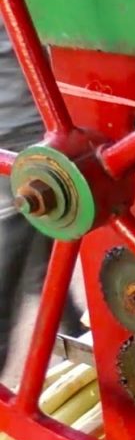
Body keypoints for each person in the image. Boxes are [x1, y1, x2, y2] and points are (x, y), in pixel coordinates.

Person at [0, 24, 83, 373]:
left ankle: (75, 332)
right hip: (28, 139)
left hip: (24, 132)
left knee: (46, 252)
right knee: (15, 252)